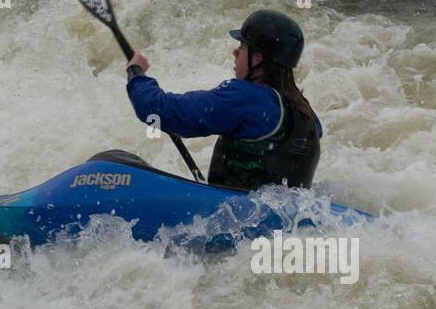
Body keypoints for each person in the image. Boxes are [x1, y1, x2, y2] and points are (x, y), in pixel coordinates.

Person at [124, 10, 322, 190]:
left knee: (112, 164)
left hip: (238, 218)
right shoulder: (304, 111)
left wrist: (136, 72)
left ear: (256, 59)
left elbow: (157, 109)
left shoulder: (245, 97)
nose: (234, 53)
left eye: (242, 47)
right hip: (284, 219)